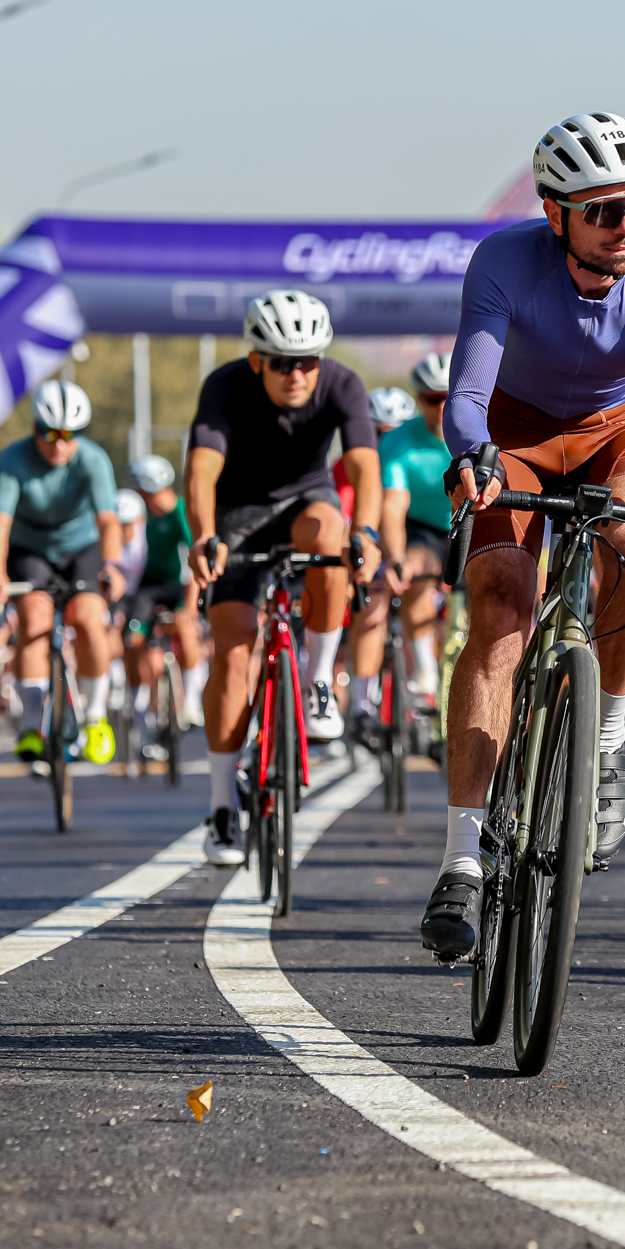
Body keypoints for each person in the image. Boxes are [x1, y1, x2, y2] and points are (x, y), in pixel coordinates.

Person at [420, 110, 625, 959]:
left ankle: (603, 741)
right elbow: (467, 399)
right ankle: (460, 857)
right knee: (499, 608)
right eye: (604, 210)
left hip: (614, 429)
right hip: (514, 432)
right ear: (557, 212)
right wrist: (473, 458)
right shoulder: (503, 260)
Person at [187, 290, 382, 868]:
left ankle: (320, 679)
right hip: (238, 515)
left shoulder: (342, 383)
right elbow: (200, 471)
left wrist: (366, 533)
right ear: (256, 362)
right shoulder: (224, 387)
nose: (296, 374)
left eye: (307, 361)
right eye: (281, 362)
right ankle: (223, 806)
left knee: (331, 536)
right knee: (234, 653)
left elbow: (365, 466)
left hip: (306, 503)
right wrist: (202, 536)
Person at [0, 380, 126, 768]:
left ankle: (95, 716)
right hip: (31, 548)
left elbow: (109, 522)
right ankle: (31, 724)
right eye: (50, 434)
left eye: (70, 436)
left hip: (82, 546)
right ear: (34, 429)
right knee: (34, 619)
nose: (60, 445)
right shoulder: (12, 460)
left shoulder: (92, 459)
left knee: (87, 618)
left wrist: (112, 567)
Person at [348, 354, 454, 745]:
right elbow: (392, 509)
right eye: (431, 399)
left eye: (448, 396)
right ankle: (424, 672)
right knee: (413, 571)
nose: (441, 407)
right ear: (420, 399)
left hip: (472, 524)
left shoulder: (482, 428)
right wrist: (394, 558)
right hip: (422, 528)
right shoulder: (397, 441)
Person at [119, 456, 203, 759]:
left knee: (184, 626)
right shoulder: (143, 517)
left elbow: (194, 561)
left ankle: (191, 700)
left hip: (178, 584)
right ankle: (138, 699)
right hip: (146, 587)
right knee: (132, 638)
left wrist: (190, 607)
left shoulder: (180, 512)